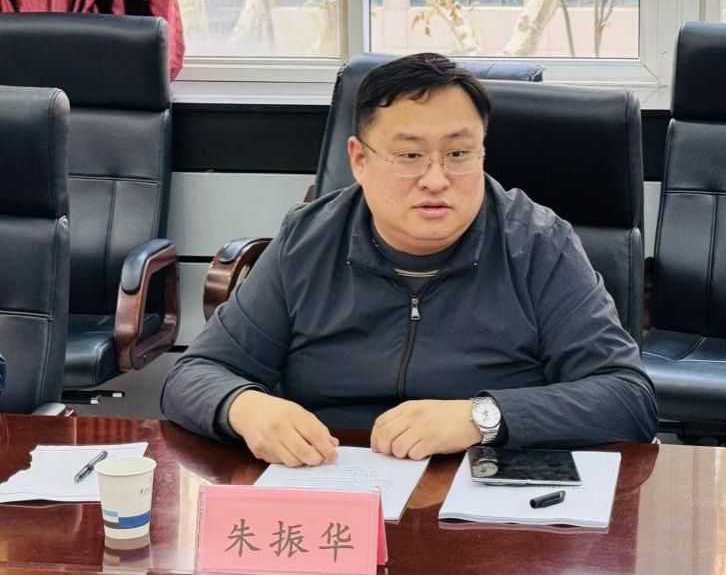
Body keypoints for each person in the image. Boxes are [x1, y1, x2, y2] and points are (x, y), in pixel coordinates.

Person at [161, 53, 658, 467]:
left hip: (484, 482)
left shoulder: (539, 244)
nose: (436, 180)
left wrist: (481, 417)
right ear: (359, 160)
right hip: (334, 475)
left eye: (459, 154)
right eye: (410, 156)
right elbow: (195, 374)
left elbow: (627, 398)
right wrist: (246, 408)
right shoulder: (307, 241)